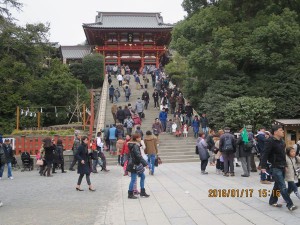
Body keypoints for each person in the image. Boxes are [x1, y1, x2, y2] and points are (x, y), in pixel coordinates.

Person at [261, 125, 297, 211]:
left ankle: (272, 201)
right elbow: (264, 154)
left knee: (277, 186)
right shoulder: (270, 141)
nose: (283, 132)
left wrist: (285, 165)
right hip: (275, 167)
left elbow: (283, 155)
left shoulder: (282, 141)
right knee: (282, 186)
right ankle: (290, 204)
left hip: (282, 166)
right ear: (275, 132)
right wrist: (263, 166)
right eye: (281, 130)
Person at [126, 134, 149, 199]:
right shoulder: (135, 146)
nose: (140, 138)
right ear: (136, 139)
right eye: (139, 137)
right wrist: (145, 164)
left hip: (137, 163)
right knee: (133, 179)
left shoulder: (135, 144)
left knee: (143, 176)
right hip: (134, 164)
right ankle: (130, 194)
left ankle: (142, 192)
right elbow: (138, 156)